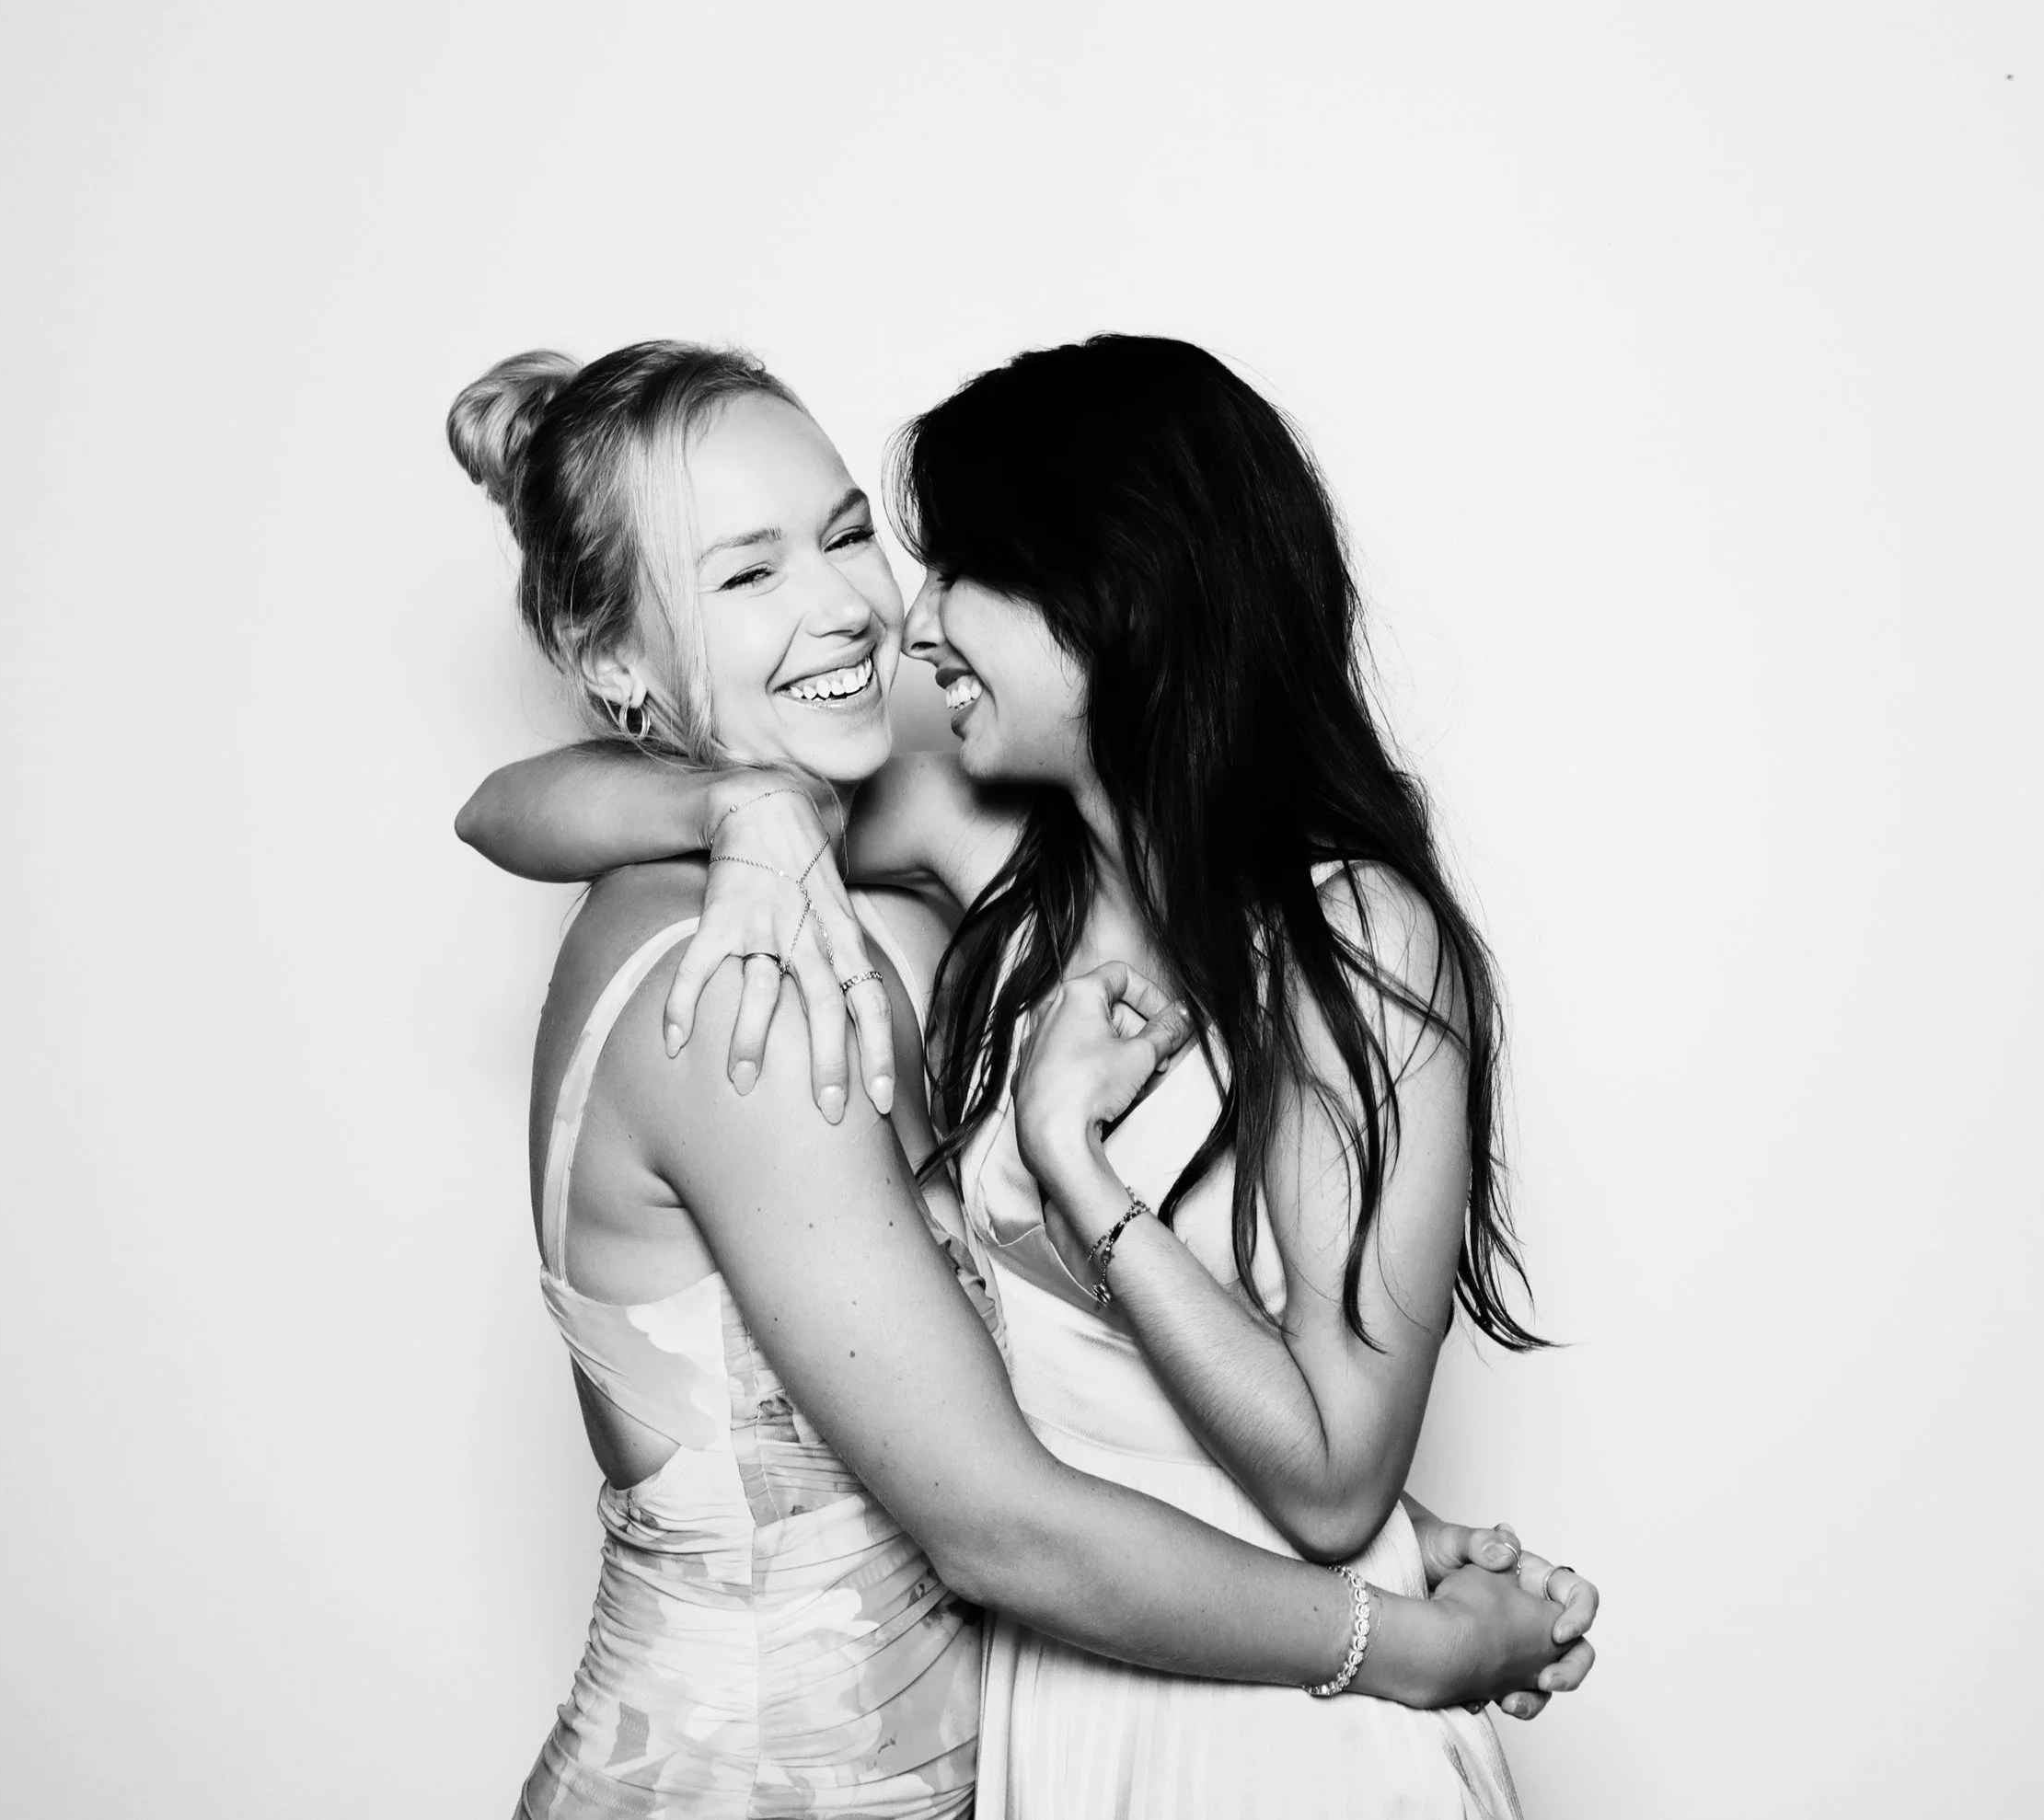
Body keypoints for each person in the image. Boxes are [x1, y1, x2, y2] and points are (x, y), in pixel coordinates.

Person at [449, 340, 1594, 1820]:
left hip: (1229, 1728)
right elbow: (499, 806)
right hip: (968, 1729)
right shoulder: (842, 906)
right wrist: (736, 806)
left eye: (872, 542)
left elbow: (1289, 1460)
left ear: (1108, 592)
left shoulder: (1317, 927)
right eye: (749, 573)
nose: (895, 620)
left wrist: (1402, 1549)